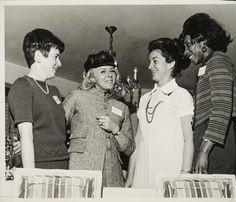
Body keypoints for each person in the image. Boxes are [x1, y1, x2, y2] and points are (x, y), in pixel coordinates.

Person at [179, 13, 236, 174]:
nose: (186, 51)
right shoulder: (208, 65)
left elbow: (222, 108)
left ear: (204, 42)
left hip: (215, 143)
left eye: (188, 45)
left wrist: (203, 151)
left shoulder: (218, 60)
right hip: (208, 139)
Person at [125, 38, 194, 188]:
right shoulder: (144, 99)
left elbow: (188, 140)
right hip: (142, 174)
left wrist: (184, 174)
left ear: (171, 63)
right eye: (149, 61)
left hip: (169, 174)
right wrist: (130, 177)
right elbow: (138, 140)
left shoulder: (182, 96)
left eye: (155, 61)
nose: (150, 66)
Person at [63, 50, 135, 187]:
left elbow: (130, 149)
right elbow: (55, 125)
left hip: (113, 176)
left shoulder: (122, 108)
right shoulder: (77, 97)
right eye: (103, 71)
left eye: (112, 71)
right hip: (82, 170)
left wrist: (116, 130)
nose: (109, 75)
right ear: (92, 77)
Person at [8, 28, 69, 169]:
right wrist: (30, 178)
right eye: (56, 57)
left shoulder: (55, 91)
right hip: (39, 167)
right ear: (38, 56)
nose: (59, 63)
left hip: (63, 165)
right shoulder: (22, 86)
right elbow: (27, 137)